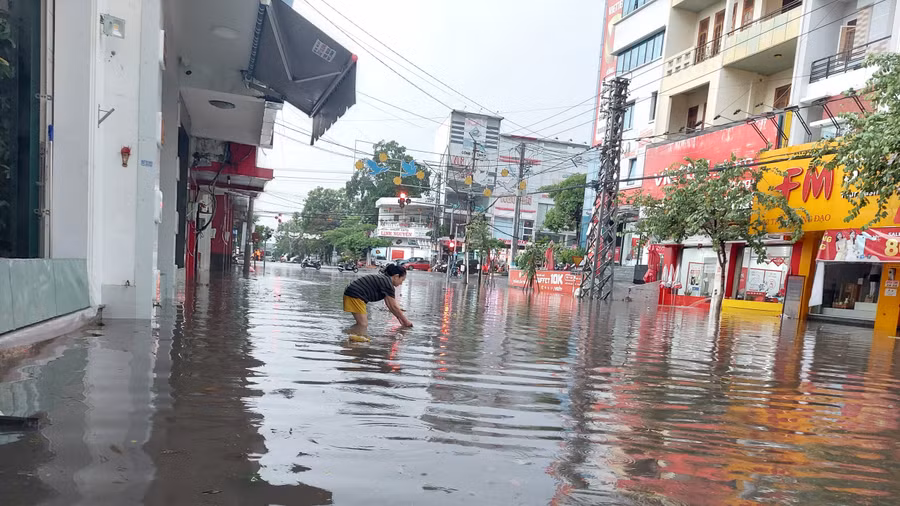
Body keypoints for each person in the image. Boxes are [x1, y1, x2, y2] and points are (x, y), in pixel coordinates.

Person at [343, 264, 412, 330]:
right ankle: (346, 335)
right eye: (402, 280)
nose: (401, 283)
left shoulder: (385, 280)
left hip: (352, 293)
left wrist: (399, 318)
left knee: (362, 324)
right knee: (362, 324)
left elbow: (390, 306)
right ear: (396, 276)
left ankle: (350, 336)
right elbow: (393, 306)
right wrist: (406, 322)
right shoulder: (387, 283)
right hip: (355, 295)